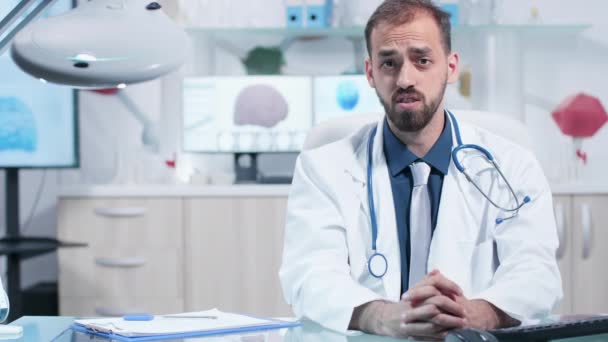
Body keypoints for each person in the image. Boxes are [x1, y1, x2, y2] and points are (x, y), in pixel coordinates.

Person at [279, 0, 562, 340]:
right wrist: (381, 315)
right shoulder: (323, 168)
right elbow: (310, 275)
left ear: (451, 67)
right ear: (370, 73)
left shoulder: (511, 165)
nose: (405, 79)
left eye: (422, 60)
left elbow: (537, 271)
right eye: (389, 62)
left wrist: (476, 312)